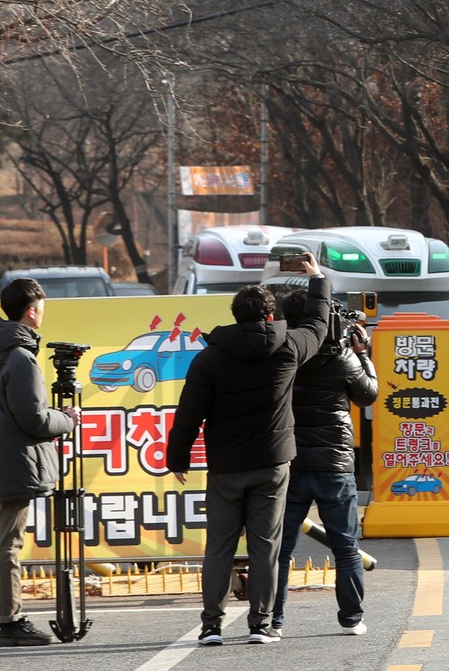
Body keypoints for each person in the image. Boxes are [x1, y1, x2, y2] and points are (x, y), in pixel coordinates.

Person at [166, 252, 330, 646]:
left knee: (219, 546)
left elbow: (189, 413)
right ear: (270, 316)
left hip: (226, 467)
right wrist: (317, 278)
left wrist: (178, 457)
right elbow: (319, 325)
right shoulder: (289, 347)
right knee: (266, 545)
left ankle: (211, 626)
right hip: (273, 463)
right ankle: (261, 624)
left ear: (235, 315)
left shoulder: (210, 358)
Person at [0, 278, 82, 647]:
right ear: (32, 311)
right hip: (16, 460)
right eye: (42, 307)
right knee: (9, 542)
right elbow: (34, 420)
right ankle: (10, 621)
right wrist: (67, 418)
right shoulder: (21, 358)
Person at [272, 289, 378, 636]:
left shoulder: (283, 354)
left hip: (292, 461)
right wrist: (364, 355)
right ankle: (352, 619)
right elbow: (368, 395)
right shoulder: (343, 357)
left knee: (281, 548)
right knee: (346, 546)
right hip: (335, 464)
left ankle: (274, 621)